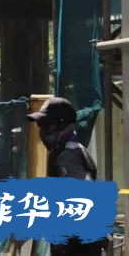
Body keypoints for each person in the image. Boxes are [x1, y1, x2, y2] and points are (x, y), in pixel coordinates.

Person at [27, 97, 107, 254]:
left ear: (63, 126)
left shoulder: (67, 156)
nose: (42, 132)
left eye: (47, 126)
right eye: (40, 126)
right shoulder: (74, 149)